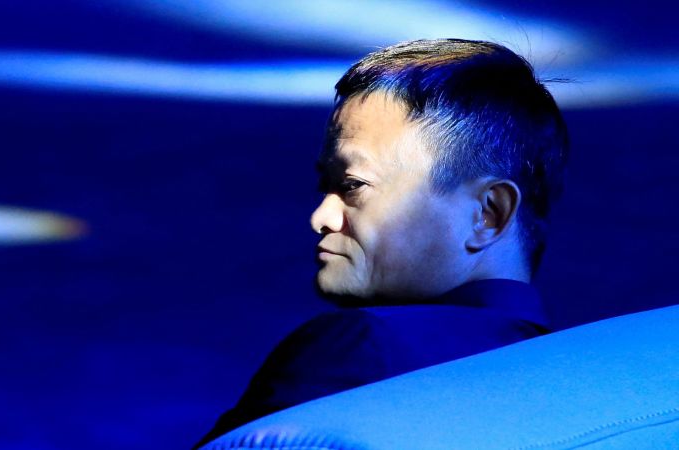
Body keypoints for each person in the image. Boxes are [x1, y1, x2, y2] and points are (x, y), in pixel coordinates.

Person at [194, 38, 569, 448]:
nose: (321, 218)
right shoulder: (574, 385)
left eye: (353, 185)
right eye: (326, 186)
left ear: (488, 213)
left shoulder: (366, 346)